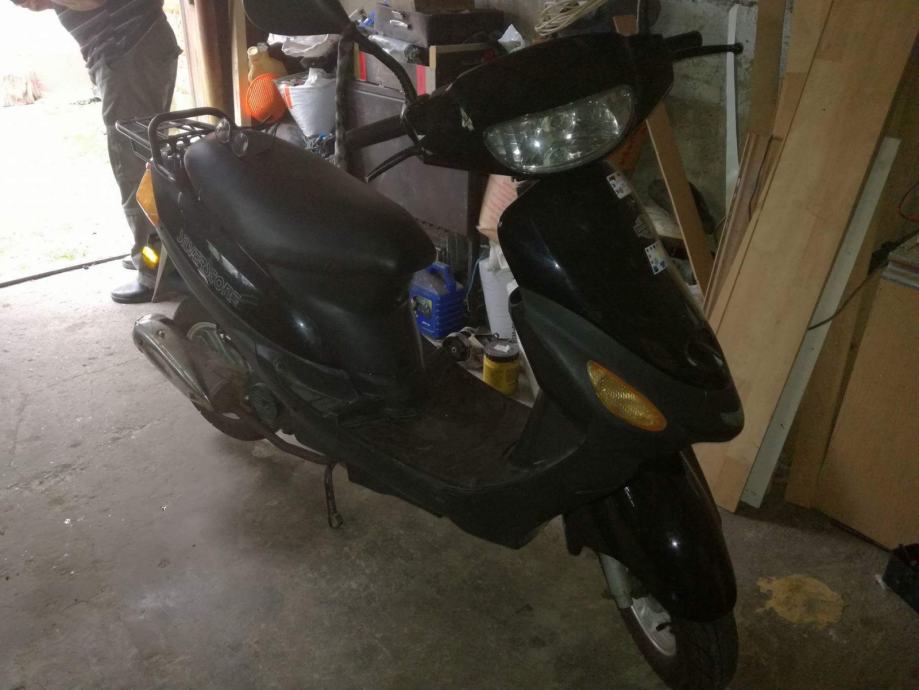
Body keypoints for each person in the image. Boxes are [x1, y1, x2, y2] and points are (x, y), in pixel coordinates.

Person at [18, 0, 181, 303]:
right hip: (135, 51)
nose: (23, 5)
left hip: (130, 52)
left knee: (134, 167)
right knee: (147, 159)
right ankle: (162, 257)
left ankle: (155, 269)